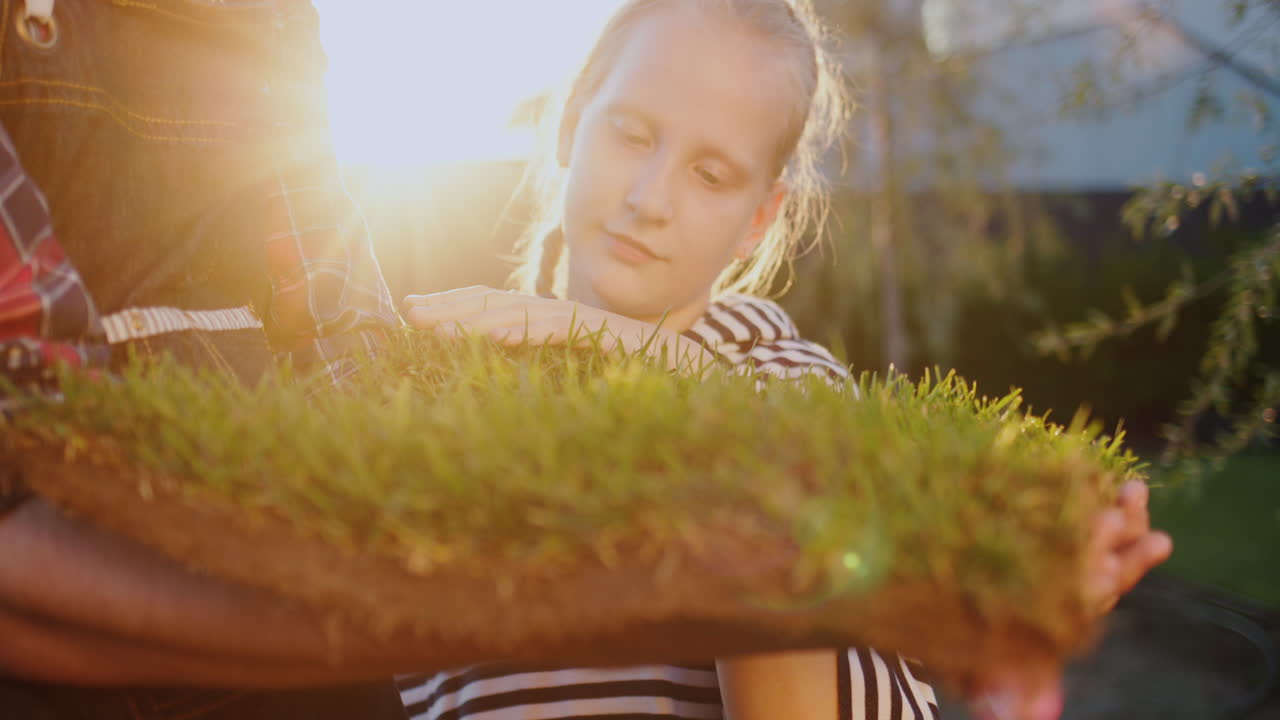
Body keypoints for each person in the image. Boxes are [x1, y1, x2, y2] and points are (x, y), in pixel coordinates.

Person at [401, 1, 1174, 719]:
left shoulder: (774, 370)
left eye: (711, 174)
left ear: (757, 218)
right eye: (632, 133)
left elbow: (794, 460)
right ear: (573, 122)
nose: (649, 196)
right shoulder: (436, 400)